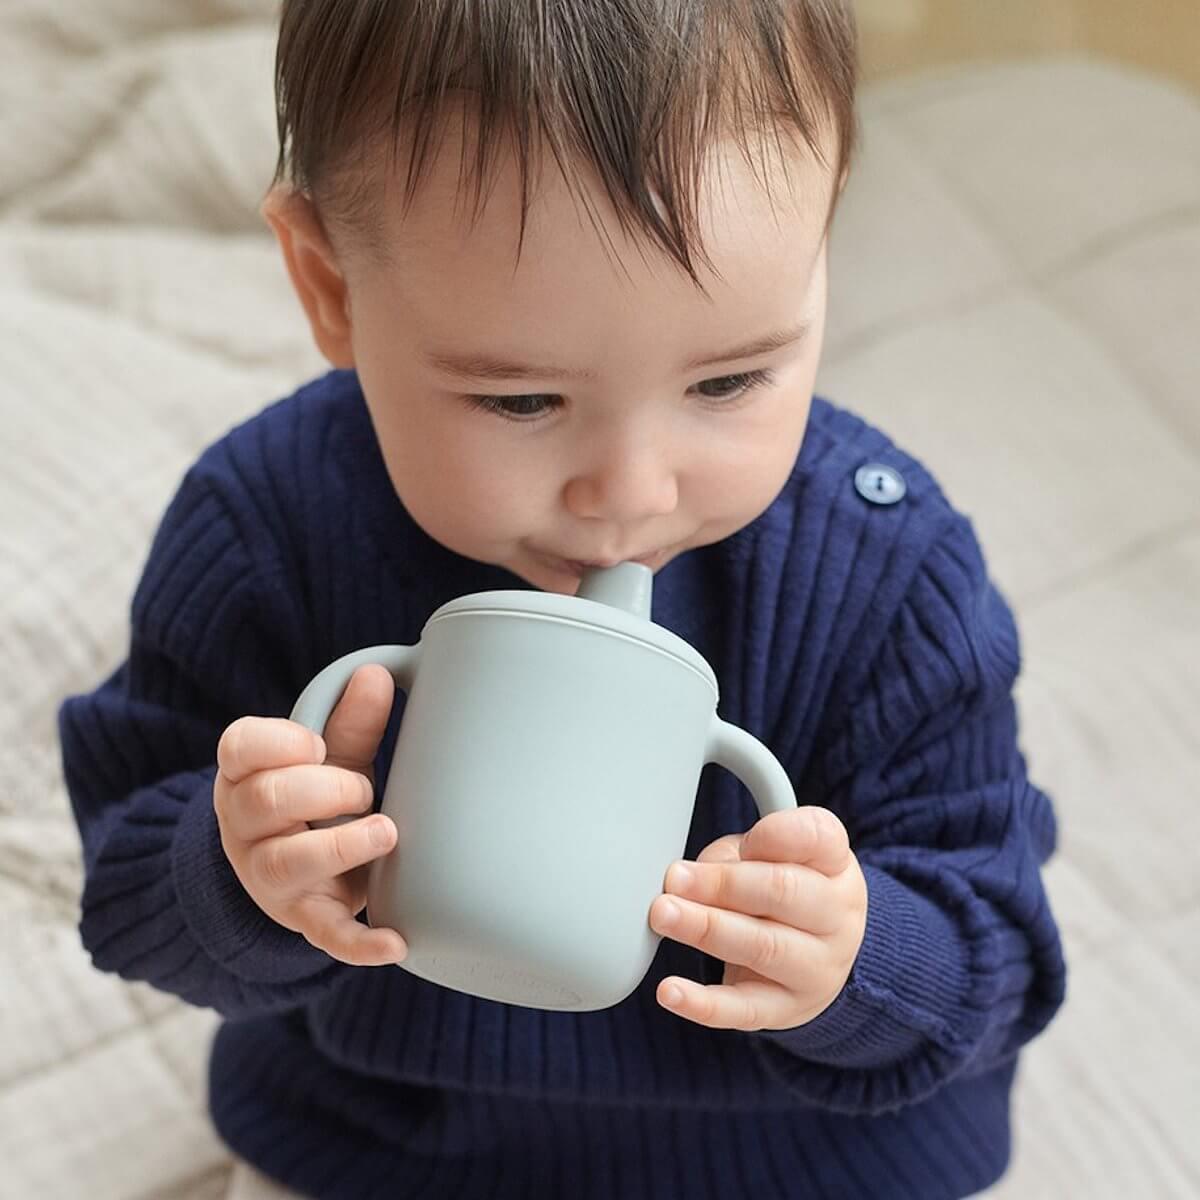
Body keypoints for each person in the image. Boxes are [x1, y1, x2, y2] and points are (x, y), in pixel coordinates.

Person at [58, 2, 1067, 1197]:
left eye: (732, 377)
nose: (630, 496)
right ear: (330, 287)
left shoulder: (887, 569)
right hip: (378, 1146)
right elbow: (126, 896)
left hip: (810, 1168)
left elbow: (998, 956)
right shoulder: (266, 525)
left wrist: (857, 960)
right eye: (522, 402)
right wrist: (239, 873)